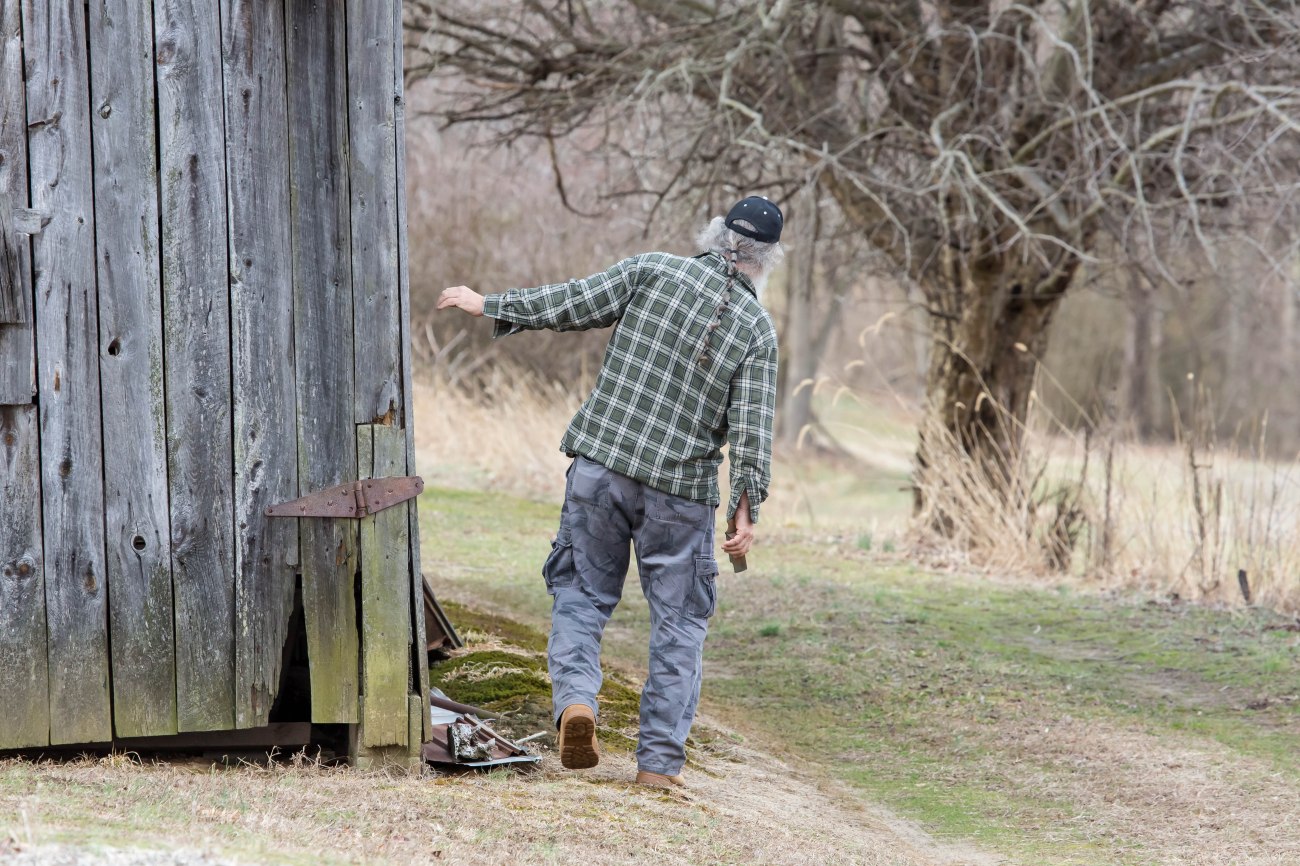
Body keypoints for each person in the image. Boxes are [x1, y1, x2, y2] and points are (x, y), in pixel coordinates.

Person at [436, 196, 783, 788]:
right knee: (679, 625)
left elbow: (573, 302)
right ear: (767, 257)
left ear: (717, 234)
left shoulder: (652, 269)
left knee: (581, 595)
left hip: (601, 469)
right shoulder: (756, 331)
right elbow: (751, 429)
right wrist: (745, 511)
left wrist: (489, 303)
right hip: (681, 492)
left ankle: (577, 703)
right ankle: (658, 768)